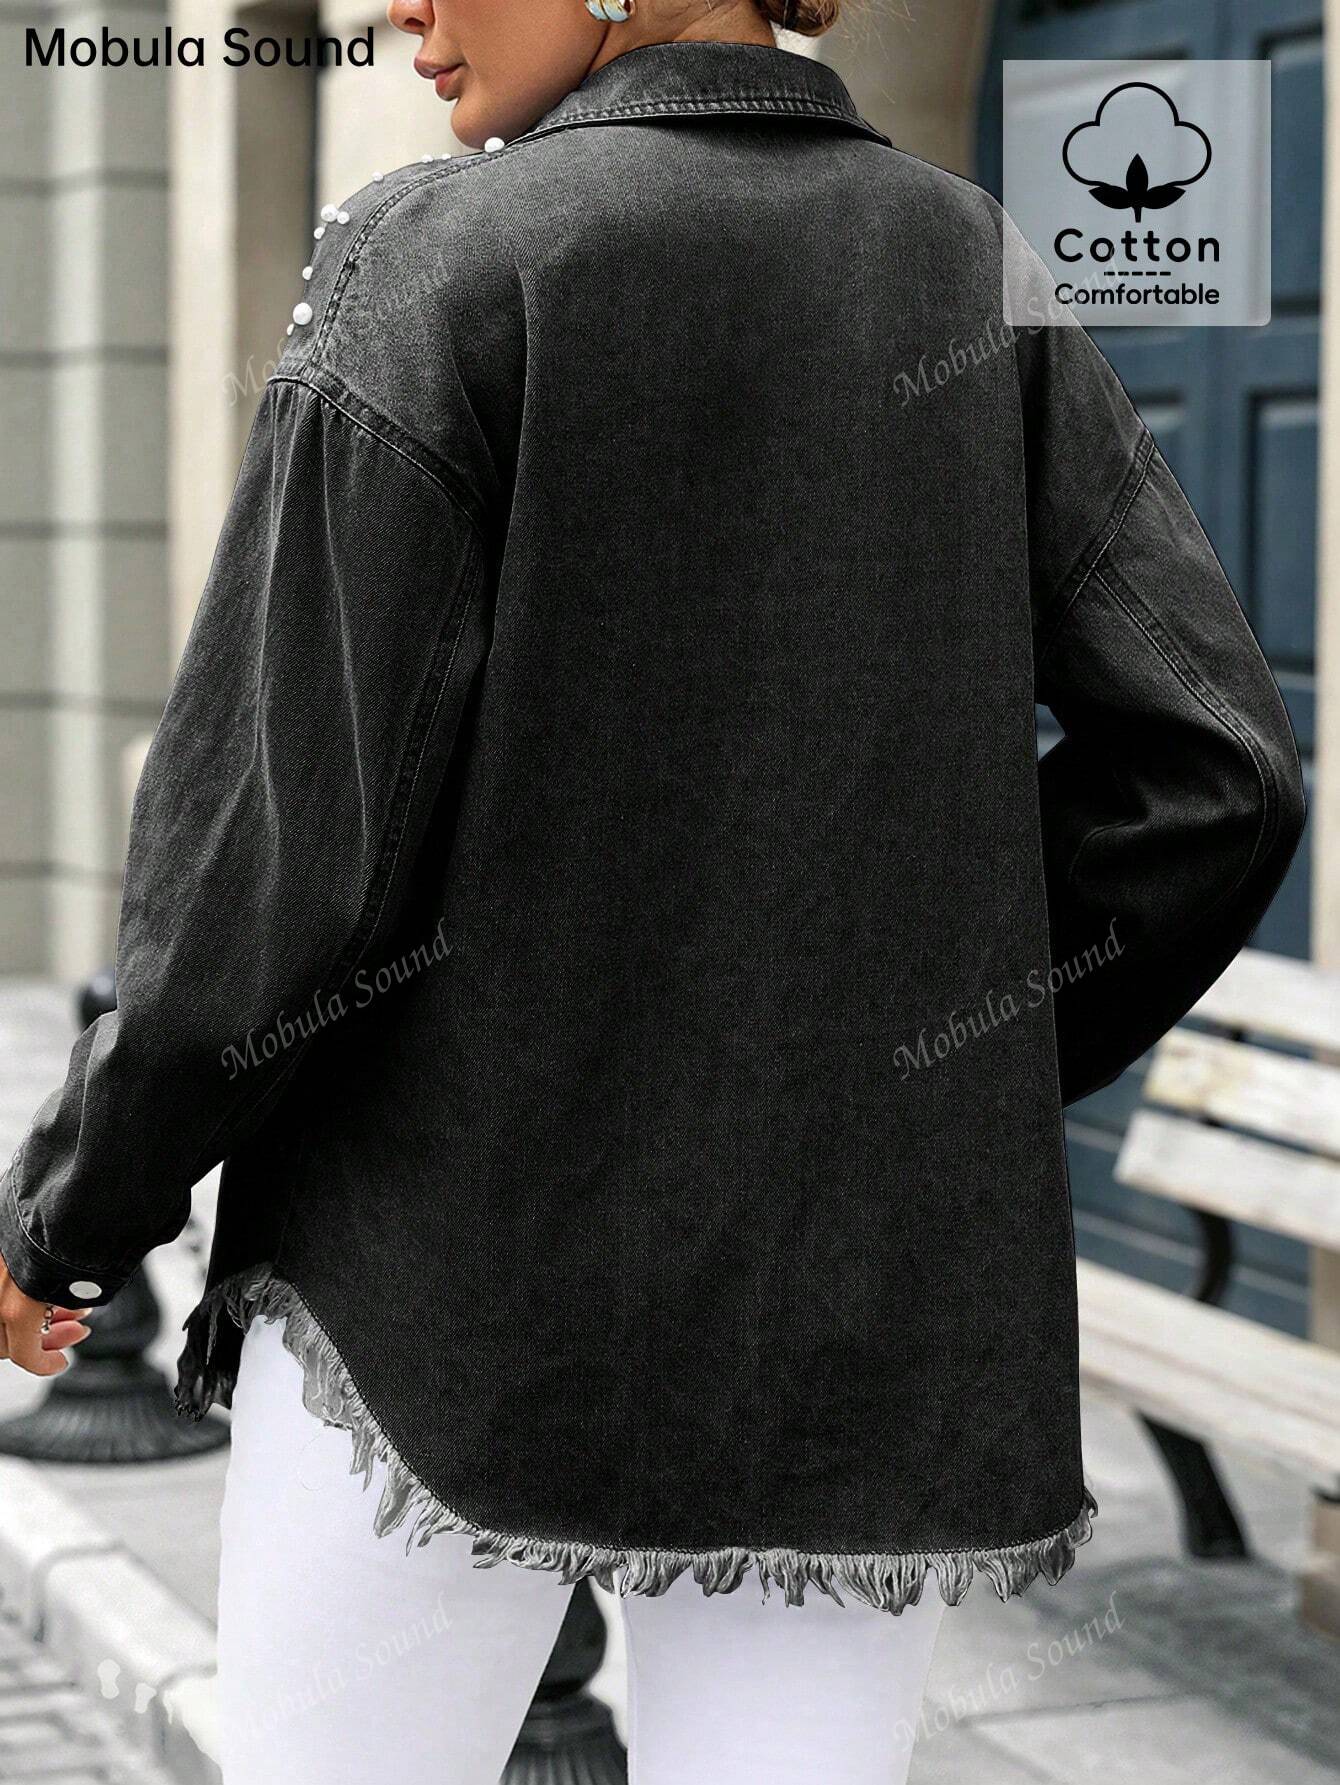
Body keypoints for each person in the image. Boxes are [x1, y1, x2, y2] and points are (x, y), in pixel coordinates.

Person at [0, 1, 1305, 1781]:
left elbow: (267, 857)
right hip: (843, 1312)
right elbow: (1221, 769)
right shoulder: (972, 265)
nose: (402, 10)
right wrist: (924, 1062)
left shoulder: (437, 260)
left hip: (433, 1302)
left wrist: (72, 1209)